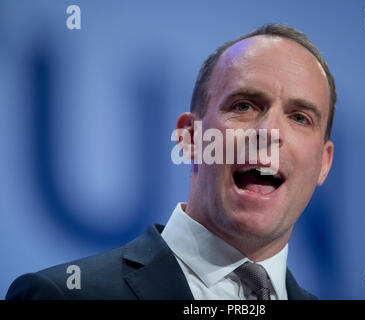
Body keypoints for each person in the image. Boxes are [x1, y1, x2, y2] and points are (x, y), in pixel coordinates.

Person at [6, 23, 335, 300]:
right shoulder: (63, 295)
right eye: (244, 106)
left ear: (323, 162)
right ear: (190, 138)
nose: (270, 131)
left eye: (300, 118)